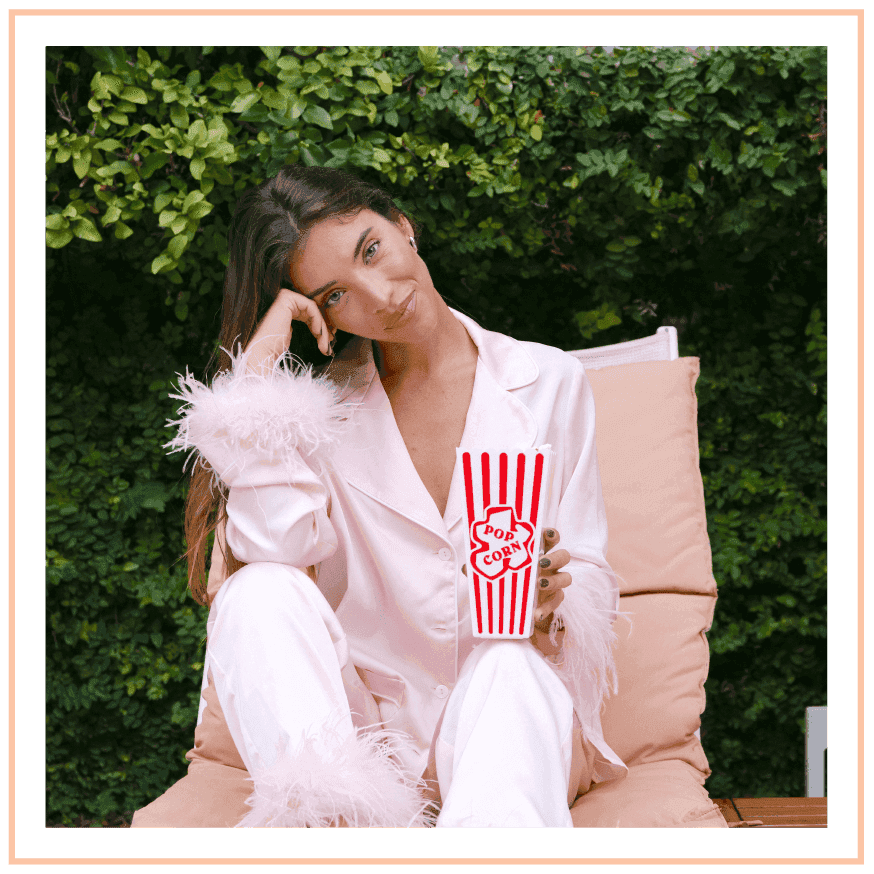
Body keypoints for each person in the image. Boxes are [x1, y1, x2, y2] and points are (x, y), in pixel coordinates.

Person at [154, 165, 626, 828]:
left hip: (504, 722)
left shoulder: (550, 381)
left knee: (509, 667)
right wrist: (259, 371)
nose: (379, 296)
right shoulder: (321, 417)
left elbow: (589, 567)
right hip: (372, 744)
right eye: (336, 294)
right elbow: (272, 548)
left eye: (371, 249)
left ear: (404, 226)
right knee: (257, 590)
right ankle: (336, 825)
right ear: (318, 313)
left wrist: (555, 606)